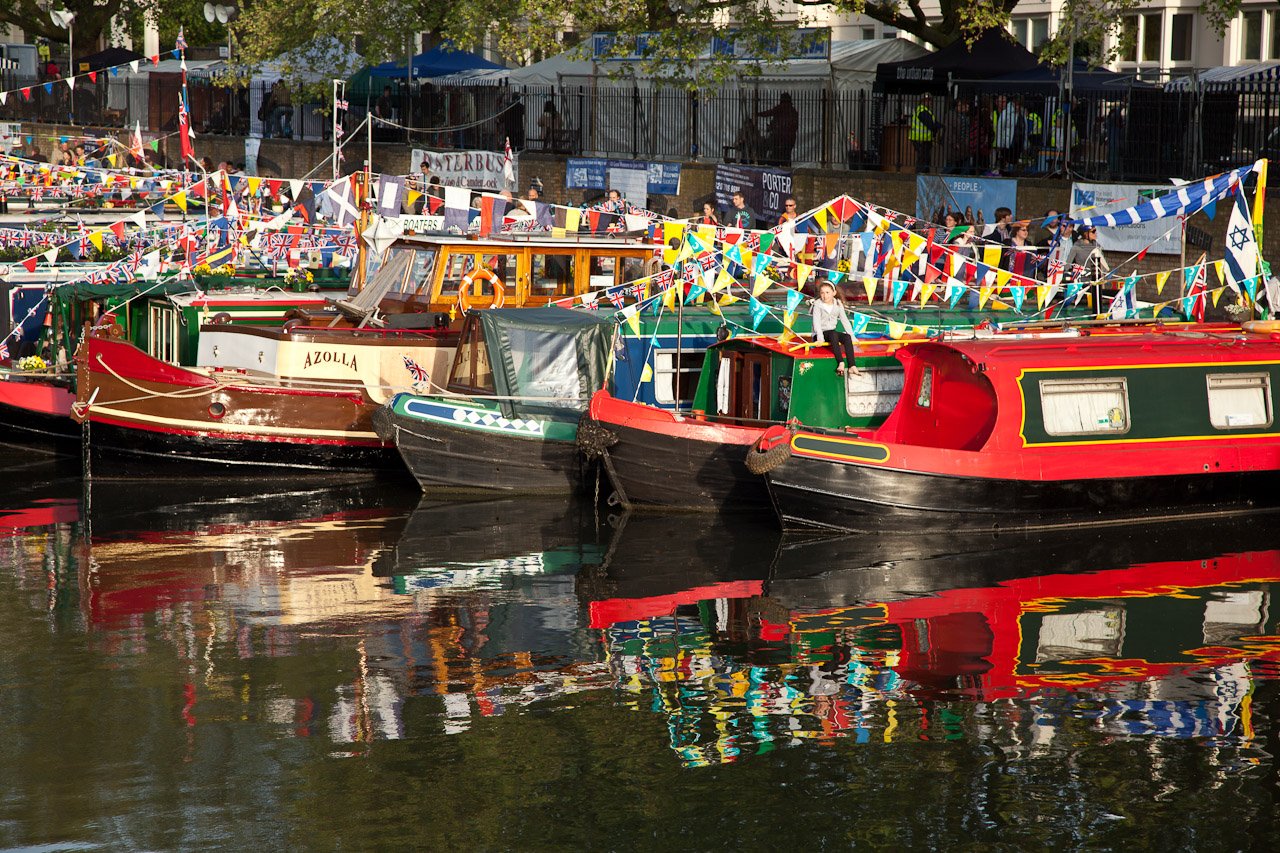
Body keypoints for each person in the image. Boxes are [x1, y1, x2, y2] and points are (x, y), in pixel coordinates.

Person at [812, 282, 860, 376]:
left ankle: (852, 365)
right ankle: (840, 362)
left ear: (834, 293)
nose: (825, 296)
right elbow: (816, 322)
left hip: (832, 333)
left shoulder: (838, 303)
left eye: (827, 292)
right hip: (819, 334)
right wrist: (820, 338)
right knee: (833, 334)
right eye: (822, 293)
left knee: (847, 337)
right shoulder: (817, 304)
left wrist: (853, 336)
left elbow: (845, 320)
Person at [757, 92, 799, 166]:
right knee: (787, 154)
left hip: (779, 137)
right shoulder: (793, 111)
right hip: (791, 138)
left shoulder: (781, 107)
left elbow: (769, 112)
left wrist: (758, 114)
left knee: (772, 150)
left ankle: (767, 163)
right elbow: (796, 126)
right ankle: (787, 166)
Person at [909, 93, 942, 174]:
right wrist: (938, 128)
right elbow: (931, 124)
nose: (930, 102)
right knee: (923, 159)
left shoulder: (925, 111)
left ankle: (924, 175)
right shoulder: (922, 111)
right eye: (928, 101)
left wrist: (940, 126)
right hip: (920, 139)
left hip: (923, 139)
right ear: (923, 101)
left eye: (930, 100)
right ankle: (920, 175)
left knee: (925, 158)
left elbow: (933, 122)